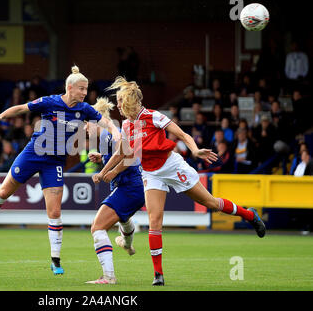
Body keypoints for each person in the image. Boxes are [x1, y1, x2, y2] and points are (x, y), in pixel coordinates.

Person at [93, 76, 266, 286]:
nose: (117, 105)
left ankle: (249, 214)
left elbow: (183, 135)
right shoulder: (128, 125)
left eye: (120, 101)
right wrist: (104, 171)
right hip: (151, 173)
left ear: (129, 101)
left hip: (173, 167)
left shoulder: (153, 116)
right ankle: (158, 275)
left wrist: (195, 150)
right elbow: (122, 152)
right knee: (155, 222)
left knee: (211, 203)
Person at [0, 65, 121, 275]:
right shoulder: (50, 101)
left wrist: (116, 133)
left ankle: (55, 259)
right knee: (4, 192)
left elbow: (107, 122)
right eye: (82, 89)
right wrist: (1, 115)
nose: (85, 93)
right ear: (70, 88)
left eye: (86, 89)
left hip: (54, 162)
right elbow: (21, 108)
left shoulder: (84, 109)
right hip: (32, 154)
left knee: (54, 212)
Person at [84, 97, 145, 284]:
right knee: (123, 218)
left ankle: (109, 277)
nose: (85, 128)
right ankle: (127, 244)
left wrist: (105, 172)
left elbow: (130, 156)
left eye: (86, 124)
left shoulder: (108, 134)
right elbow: (118, 154)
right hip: (131, 187)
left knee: (97, 227)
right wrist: (102, 157)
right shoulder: (106, 138)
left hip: (130, 186)